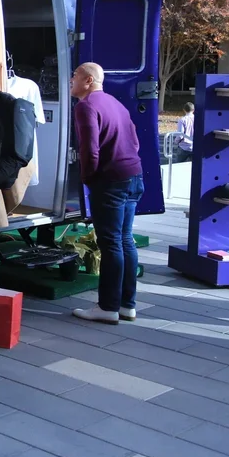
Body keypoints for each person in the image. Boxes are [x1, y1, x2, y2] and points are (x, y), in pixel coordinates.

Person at [70, 63, 144, 325]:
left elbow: (89, 151)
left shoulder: (86, 106)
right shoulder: (116, 103)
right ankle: (127, 305)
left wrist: (88, 180)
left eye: (75, 77)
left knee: (111, 243)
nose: (70, 81)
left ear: (88, 80)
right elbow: (134, 141)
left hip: (110, 180)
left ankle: (108, 307)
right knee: (125, 240)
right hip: (134, 175)